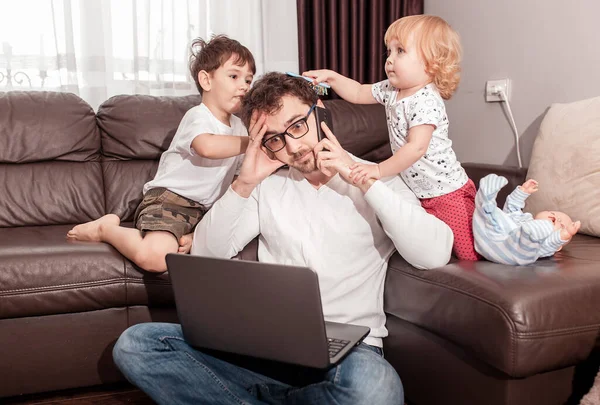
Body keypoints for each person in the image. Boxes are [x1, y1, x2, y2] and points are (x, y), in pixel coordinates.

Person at [112, 72, 454, 404]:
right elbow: (205, 252)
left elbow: (434, 252)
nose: (292, 146)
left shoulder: (381, 180)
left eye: (297, 126)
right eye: (275, 138)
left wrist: (363, 180)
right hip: (263, 347)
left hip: (347, 355)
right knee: (136, 344)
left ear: (319, 113)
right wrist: (243, 184)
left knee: (377, 389)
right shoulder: (266, 187)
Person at [66, 35, 255, 272]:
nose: (244, 86)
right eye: (234, 76)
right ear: (206, 80)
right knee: (155, 259)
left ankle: (190, 235)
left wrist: (200, 230)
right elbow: (207, 147)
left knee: (214, 248)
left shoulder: (240, 128)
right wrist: (253, 141)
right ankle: (106, 229)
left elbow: (236, 180)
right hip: (169, 200)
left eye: (248, 80)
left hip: (204, 211)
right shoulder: (198, 116)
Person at [303, 15, 480, 261]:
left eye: (400, 51)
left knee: (468, 254)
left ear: (431, 63)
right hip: (418, 190)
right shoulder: (391, 90)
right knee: (432, 245)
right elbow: (357, 91)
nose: (389, 59)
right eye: (389, 51)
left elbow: (416, 148)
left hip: (447, 193)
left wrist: (377, 169)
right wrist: (332, 77)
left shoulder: (426, 100)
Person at [473, 173, 580, 266]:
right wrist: (523, 191)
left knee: (530, 246)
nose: (557, 219)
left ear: (558, 248)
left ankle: (529, 234)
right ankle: (486, 201)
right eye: (553, 213)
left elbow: (550, 243)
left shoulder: (545, 243)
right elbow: (512, 208)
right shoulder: (525, 218)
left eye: (561, 226)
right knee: (496, 214)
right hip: (492, 236)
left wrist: (564, 235)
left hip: (511, 252)